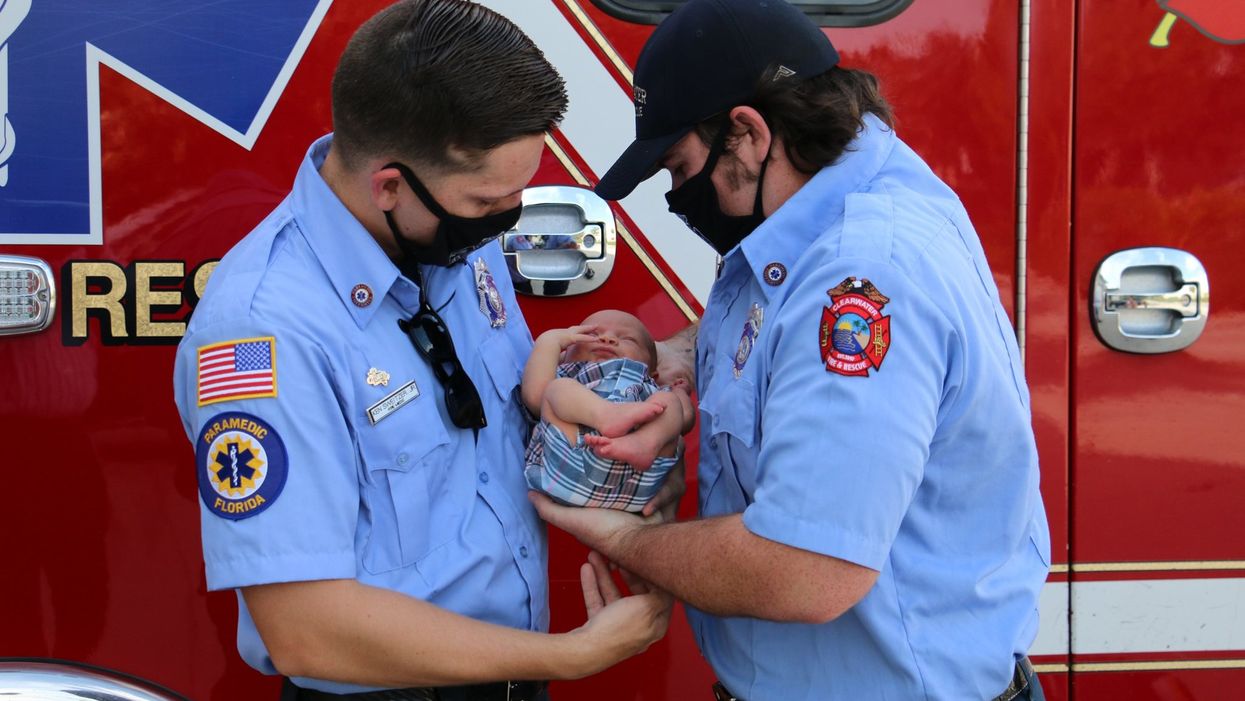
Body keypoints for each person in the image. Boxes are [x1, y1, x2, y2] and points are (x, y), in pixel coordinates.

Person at [530, 1, 1051, 700]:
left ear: (745, 133)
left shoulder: (860, 274)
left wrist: (625, 539)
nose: (680, 197)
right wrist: (674, 376)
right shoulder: (829, 206)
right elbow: (759, 328)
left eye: (681, 169)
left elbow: (805, 568)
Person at [171, 2, 671, 699]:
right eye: (488, 200)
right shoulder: (265, 333)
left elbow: (493, 436)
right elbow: (301, 627)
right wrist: (572, 655)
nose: (505, 216)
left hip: (508, 677)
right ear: (389, 185)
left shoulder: (444, 233)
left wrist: (616, 458)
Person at [522, 309, 694, 513]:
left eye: (628, 339)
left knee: (669, 403)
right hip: (567, 461)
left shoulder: (650, 387)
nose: (608, 339)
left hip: (639, 477)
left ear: (652, 372)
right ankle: (607, 416)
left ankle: (643, 443)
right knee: (555, 389)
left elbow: (685, 419)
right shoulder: (568, 374)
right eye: (591, 334)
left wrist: (679, 394)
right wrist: (548, 342)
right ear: (564, 355)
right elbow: (535, 398)